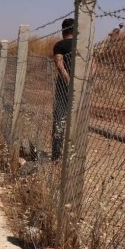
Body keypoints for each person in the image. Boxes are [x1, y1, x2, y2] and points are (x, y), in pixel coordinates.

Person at [52, 18, 74, 160]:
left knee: (60, 120)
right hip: (82, 88)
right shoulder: (83, 45)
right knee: (76, 120)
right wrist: (84, 82)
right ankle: (73, 154)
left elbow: (59, 64)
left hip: (63, 87)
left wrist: (68, 81)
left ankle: (56, 154)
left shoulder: (59, 45)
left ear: (63, 30)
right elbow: (94, 64)